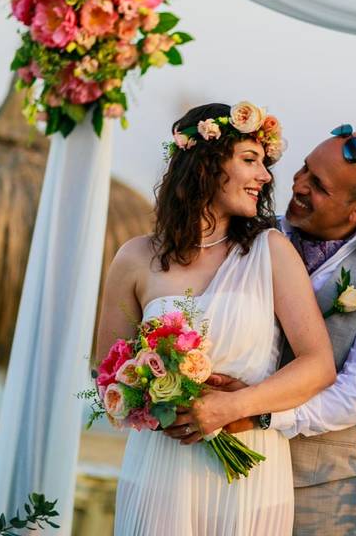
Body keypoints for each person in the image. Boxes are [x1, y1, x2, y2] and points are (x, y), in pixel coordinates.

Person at [95, 102, 336, 535]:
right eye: (249, 160)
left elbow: (318, 365)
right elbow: (105, 372)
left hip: (247, 476)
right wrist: (155, 394)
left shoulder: (271, 251)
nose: (264, 177)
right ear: (204, 165)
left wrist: (232, 407)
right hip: (159, 471)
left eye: (265, 164)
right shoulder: (134, 258)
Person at [169, 124, 356, 535]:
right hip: (225, 469)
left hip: (321, 488)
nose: (298, 185)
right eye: (303, 169)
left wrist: (258, 413)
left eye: (318, 185)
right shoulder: (250, 236)